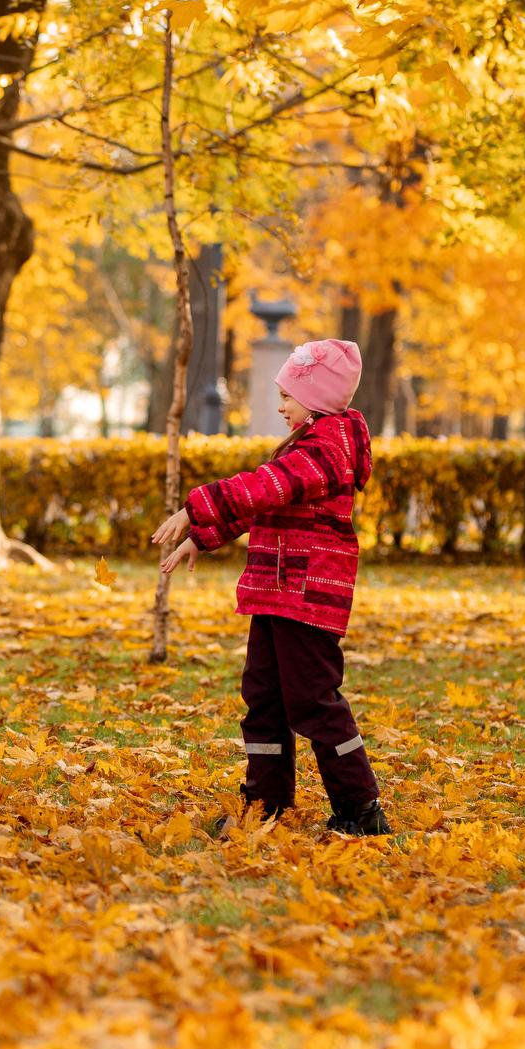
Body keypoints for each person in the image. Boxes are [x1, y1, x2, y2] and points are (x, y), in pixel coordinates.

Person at [153, 339, 390, 836]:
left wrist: (194, 507)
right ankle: (266, 803)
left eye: (287, 395)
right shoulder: (310, 445)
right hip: (278, 591)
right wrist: (204, 536)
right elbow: (268, 504)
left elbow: (264, 486)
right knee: (263, 696)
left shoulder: (326, 449)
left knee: (312, 700)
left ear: (318, 397)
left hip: (306, 595)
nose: (279, 405)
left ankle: (360, 806)